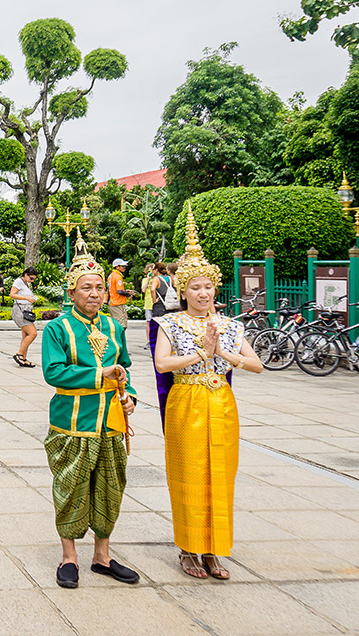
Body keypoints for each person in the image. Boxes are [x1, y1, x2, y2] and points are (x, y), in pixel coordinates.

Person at [153, 203, 263, 581]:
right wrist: (200, 353)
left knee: (221, 474)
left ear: (216, 288)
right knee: (189, 473)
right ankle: (188, 548)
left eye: (207, 287)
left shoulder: (231, 325)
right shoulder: (170, 323)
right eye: (195, 287)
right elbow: (162, 364)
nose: (203, 293)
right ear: (182, 291)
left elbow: (257, 365)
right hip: (186, 400)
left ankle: (215, 550)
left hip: (221, 402)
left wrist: (222, 353)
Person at [41, 234, 139, 590]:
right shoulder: (58, 328)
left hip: (111, 423)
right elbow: (54, 373)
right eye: (87, 288)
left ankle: (103, 555)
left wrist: (130, 398)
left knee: (109, 488)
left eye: (100, 287)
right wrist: (100, 374)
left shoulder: (114, 327)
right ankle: (69, 557)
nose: (95, 294)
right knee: (70, 488)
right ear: (72, 293)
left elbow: (125, 369)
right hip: (72, 422)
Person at [10, 267, 39, 367]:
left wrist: (31, 298)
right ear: (25, 274)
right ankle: (19, 354)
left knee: (26, 336)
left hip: (26, 310)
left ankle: (23, 358)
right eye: (31, 278)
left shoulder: (27, 284)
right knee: (33, 333)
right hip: (20, 311)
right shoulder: (18, 281)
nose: (32, 280)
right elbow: (12, 294)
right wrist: (26, 298)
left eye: (34, 279)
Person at [107, 259, 136, 328]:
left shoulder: (111, 275)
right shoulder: (118, 276)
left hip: (113, 302)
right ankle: (118, 339)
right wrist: (128, 295)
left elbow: (113, 289)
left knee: (117, 325)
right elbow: (119, 291)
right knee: (121, 326)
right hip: (117, 303)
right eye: (122, 266)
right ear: (117, 267)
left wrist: (126, 291)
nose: (124, 268)